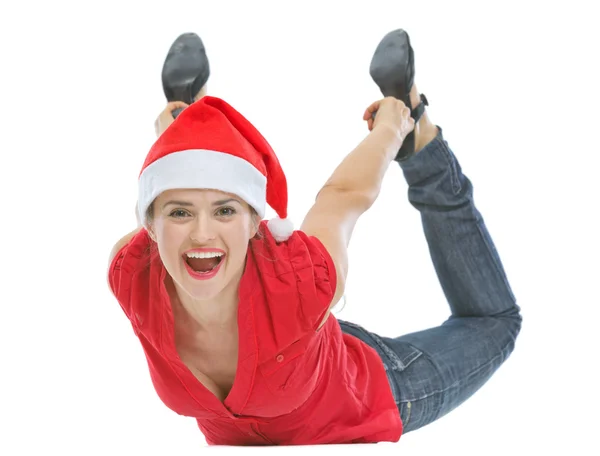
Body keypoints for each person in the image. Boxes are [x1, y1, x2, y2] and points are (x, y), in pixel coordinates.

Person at [107, 29, 522, 446]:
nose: (201, 233)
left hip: (372, 387)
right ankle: (190, 127)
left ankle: (421, 137)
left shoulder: (299, 280)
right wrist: (178, 138)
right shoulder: (132, 273)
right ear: (150, 226)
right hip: (305, 344)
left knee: (494, 323)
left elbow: (341, 198)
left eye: (225, 210)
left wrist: (392, 129)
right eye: (179, 212)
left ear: (255, 222)